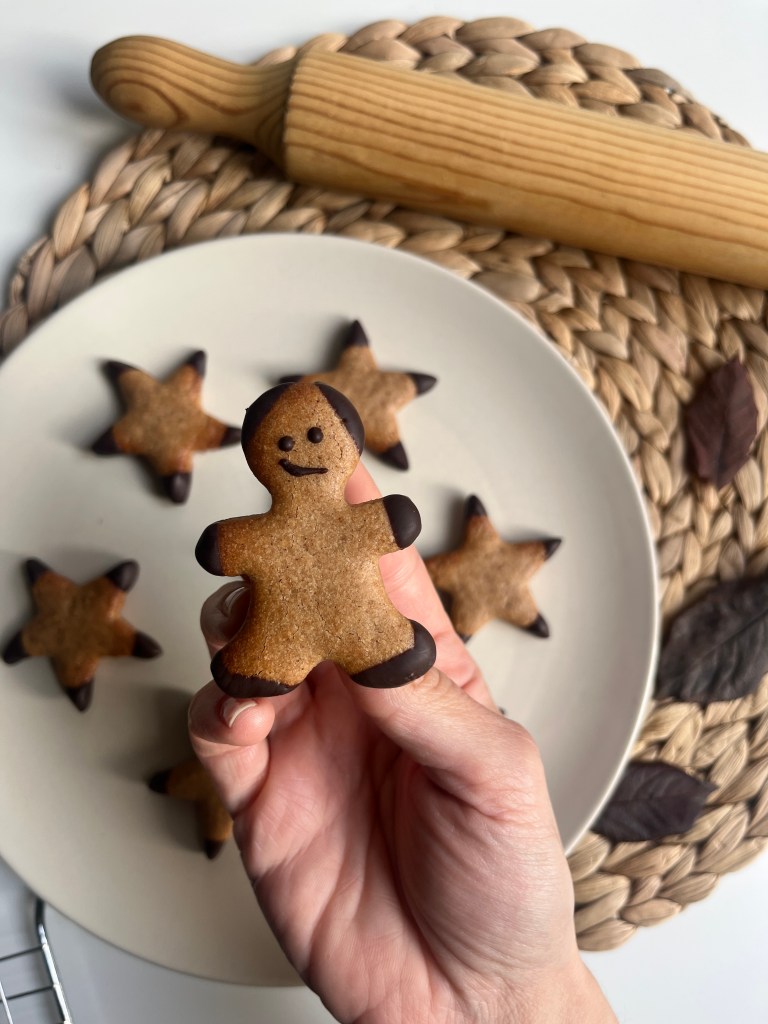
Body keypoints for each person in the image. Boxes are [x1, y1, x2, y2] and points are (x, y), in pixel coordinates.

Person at [188, 464, 617, 1024]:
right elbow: (225, 545)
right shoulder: (279, 530)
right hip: (288, 636)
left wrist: (517, 987)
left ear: (340, 447)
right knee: (247, 664)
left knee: (261, 672)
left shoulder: (348, 522)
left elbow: (392, 522)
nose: (298, 451)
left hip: (369, 631)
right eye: (288, 442)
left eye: (315, 436)